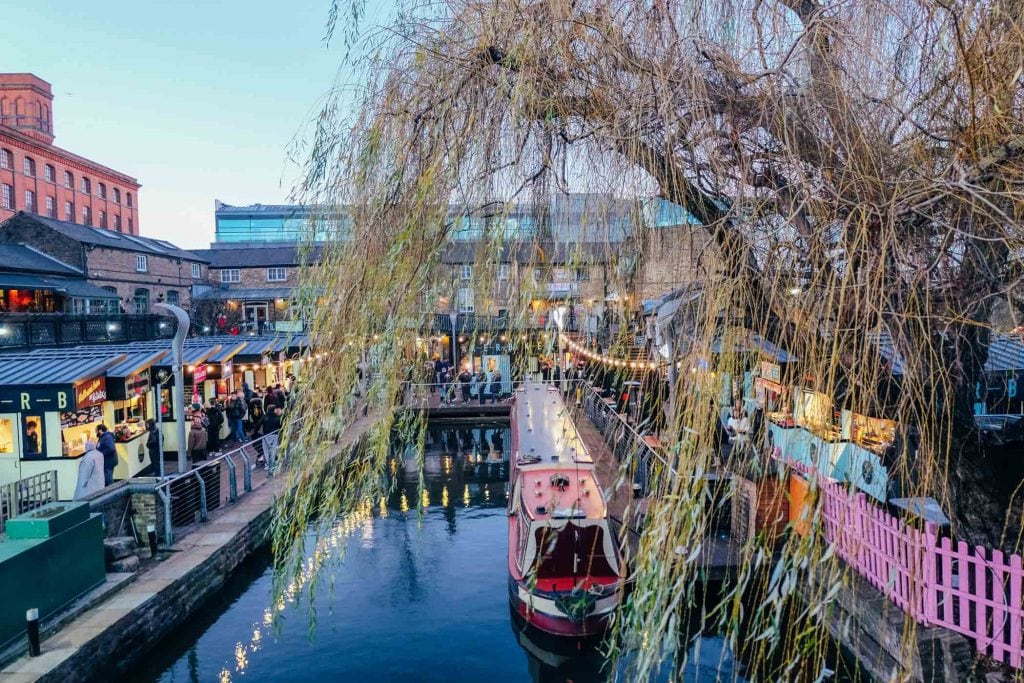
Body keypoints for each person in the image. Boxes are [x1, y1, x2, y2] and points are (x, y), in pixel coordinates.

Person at [261, 405, 283, 474]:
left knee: (266, 451)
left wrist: (256, 433)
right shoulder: (278, 417)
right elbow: (281, 425)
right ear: (274, 410)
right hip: (275, 435)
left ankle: (269, 464)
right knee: (273, 450)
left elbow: (258, 424)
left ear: (267, 409)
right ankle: (272, 464)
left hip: (266, 436)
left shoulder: (264, 416)